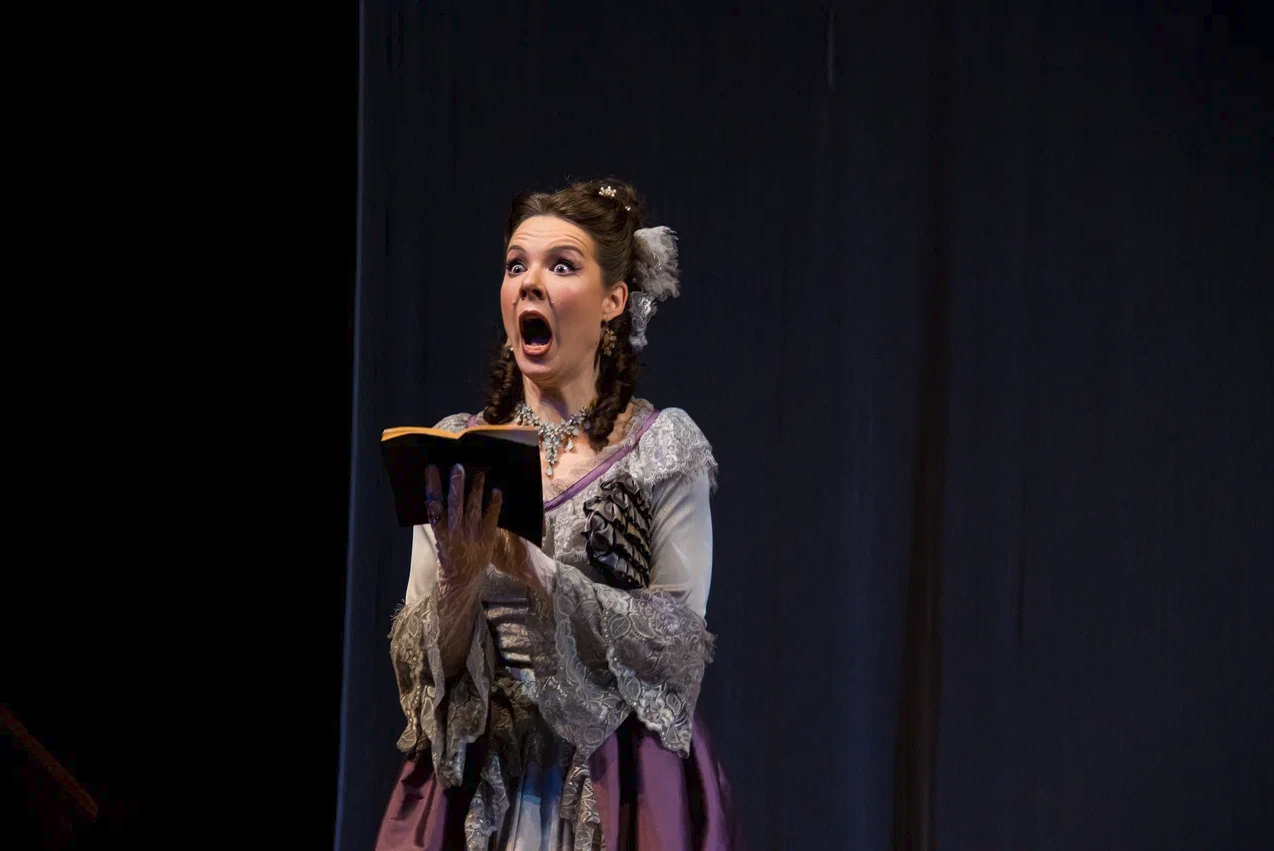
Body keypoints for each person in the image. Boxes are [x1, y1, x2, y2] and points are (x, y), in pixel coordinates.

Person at [376, 179, 740, 850]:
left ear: (612, 302)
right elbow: (427, 679)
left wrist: (536, 570)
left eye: (562, 265)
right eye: (516, 265)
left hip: (618, 782)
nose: (531, 283)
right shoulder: (457, 448)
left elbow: (679, 646)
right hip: (485, 780)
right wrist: (460, 583)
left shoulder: (660, 447)